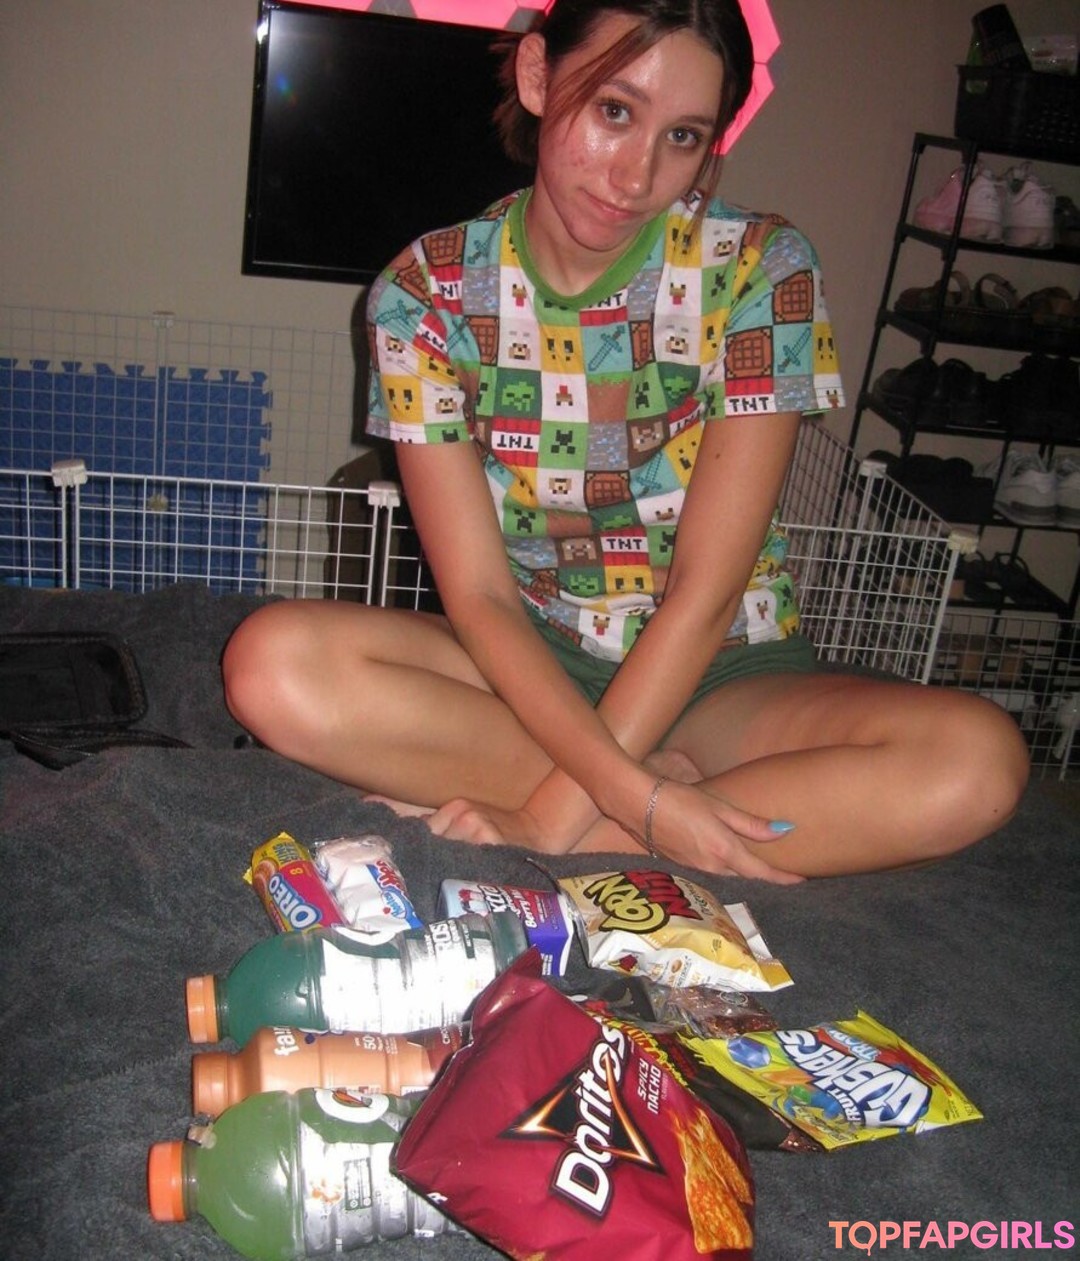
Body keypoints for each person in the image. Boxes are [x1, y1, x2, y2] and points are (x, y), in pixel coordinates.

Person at [223, 0, 1029, 881]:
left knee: (978, 762)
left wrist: (551, 818)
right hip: (530, 669)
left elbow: (704, 598)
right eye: (615, 110)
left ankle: (617, 821)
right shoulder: (422, 295)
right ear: (538, 75)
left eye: (683, 136)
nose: (636, 175)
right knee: (269, 664)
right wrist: (636, 788)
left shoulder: (763, 269)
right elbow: (482, 600)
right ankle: (669, 810)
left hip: (720, 675)